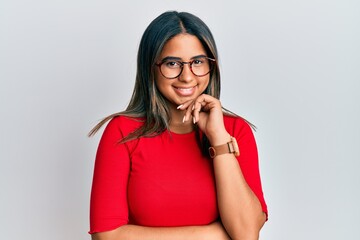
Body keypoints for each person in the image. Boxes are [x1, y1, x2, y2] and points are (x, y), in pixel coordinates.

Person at [88, 11, 268, 240]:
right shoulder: (123, 131)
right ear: (150, 67)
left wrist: (219, 140)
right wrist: (214, 236)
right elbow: (107, 237)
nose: (187, 76)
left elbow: (245, 235)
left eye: (198, 62)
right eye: (172, 63)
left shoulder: (233, 131)